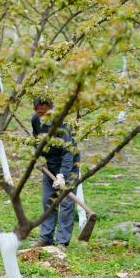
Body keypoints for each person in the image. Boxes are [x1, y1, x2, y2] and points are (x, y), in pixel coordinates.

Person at [31, 97, 81, 247]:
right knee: (48, 202)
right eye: (40, 113)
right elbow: (36, 139)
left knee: (66, 204)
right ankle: (46, 238)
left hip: (69, 166)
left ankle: (62, 242)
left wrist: (62, 176)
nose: (42, 116)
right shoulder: (35, 120)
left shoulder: (62, 124)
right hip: (49, 166)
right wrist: (40, 157)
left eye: (46, 113)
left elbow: (68, 153)